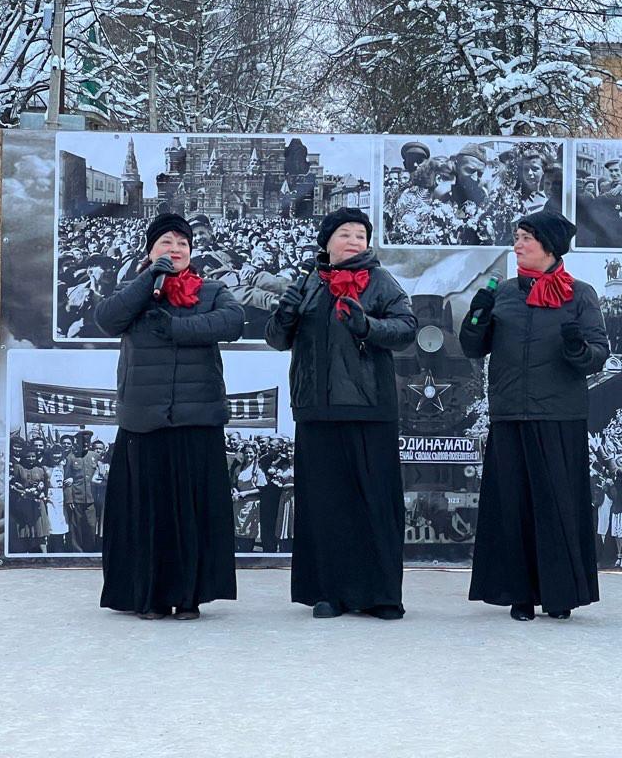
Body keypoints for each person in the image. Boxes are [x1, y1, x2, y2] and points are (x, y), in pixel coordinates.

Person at [265, 207, 417, 620]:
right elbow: (278, 339)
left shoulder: (380, 281)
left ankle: (381, 594)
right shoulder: (309, 282)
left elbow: (406, 329)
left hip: (370, 408)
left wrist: (367, 325)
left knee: (374, 503)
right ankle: (328, 592)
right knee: (325, 505)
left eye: (361, 236)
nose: (354, 241)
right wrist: (286, 311)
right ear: (327, 242)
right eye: (345, 234)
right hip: (317, 409)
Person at [459, 210, 610, 620]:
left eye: (526, 237)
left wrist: (578, 350)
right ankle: (520, 594)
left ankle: (560, 594)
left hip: (560, 417)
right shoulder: (504, 292)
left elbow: (598, 353)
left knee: (556, 507)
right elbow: (473, 346)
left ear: (549, 246)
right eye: (517, 236)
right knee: (513, 506)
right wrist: (478, 311)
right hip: (509, 415)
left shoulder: (580, 294)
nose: (517, 244)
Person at [94, 212, 244, 621]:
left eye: (181, 243)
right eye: (166, 243)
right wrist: (147, 282)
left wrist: (178, 329)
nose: (174, 249)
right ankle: (150, 595)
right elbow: (106, 319)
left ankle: (190, 595)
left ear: (192, 252)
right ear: (150, 250)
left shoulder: (212, 290)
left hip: (198, 417)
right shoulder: (135, 292)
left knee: (191, 510)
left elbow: (234, 322)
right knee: (149, 511)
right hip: (145, 418)